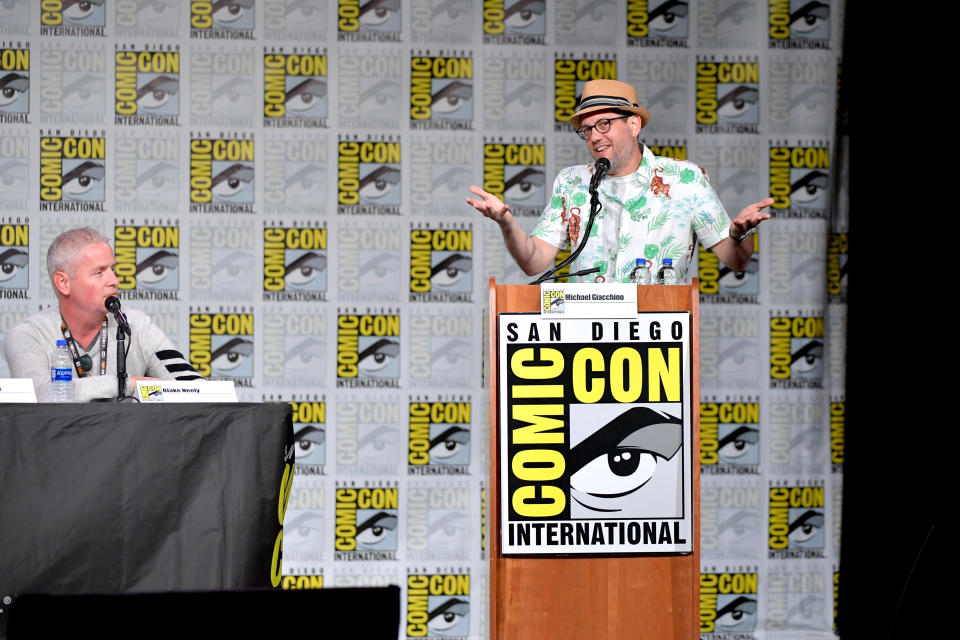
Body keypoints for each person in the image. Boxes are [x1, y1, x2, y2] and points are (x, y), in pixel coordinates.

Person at [467, 79, 773, 282]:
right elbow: (534, 262)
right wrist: (506, 223)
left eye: (604, 124)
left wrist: (738, 235)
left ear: (634, 124)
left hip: (660, 347)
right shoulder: (572, 183)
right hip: (585, 346)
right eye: (587, 129)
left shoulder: (685, 179)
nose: (594, 136)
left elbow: (737, 261)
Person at [3, 228, 202, 401]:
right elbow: (41, 395)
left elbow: (189, 387)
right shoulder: (28, 335)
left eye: (113, 269)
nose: (114, 280)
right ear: (63, 283)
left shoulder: (135, 324)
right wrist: (125, 385)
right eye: (99, 273)